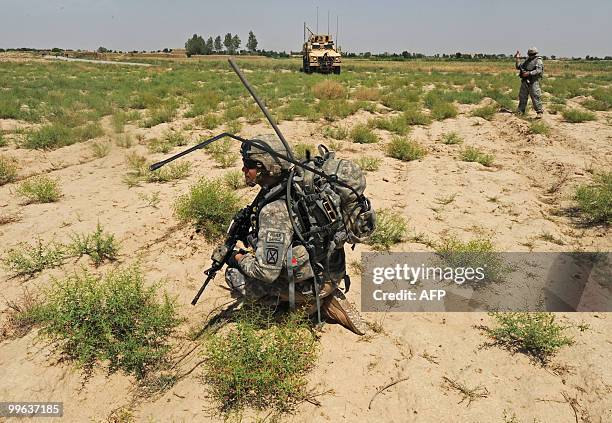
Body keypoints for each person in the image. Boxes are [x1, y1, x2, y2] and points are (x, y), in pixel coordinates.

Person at [211, 134, 368, 335]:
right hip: (332, 268)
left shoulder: (274, 210)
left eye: (248, 164)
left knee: (234, 275)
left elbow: (266, 273)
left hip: (314, 283)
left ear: (263, 167)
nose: (243, 170)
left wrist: (237, 258)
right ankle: (321, 294)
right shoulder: (296, 186)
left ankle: (308, 306)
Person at [515, 47, 544, 117]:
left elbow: (538, 70)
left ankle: (539, 112)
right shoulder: (527, 60)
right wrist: (517, 58)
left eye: (532, 54)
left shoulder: (538, 60)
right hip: (525, 81)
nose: (531, 55)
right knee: (522, 97)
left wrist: (529, 73)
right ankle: (520, 111)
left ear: (535, 54)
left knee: (535, 96)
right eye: (530, 54)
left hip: (533, 81)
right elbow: (519, 67)